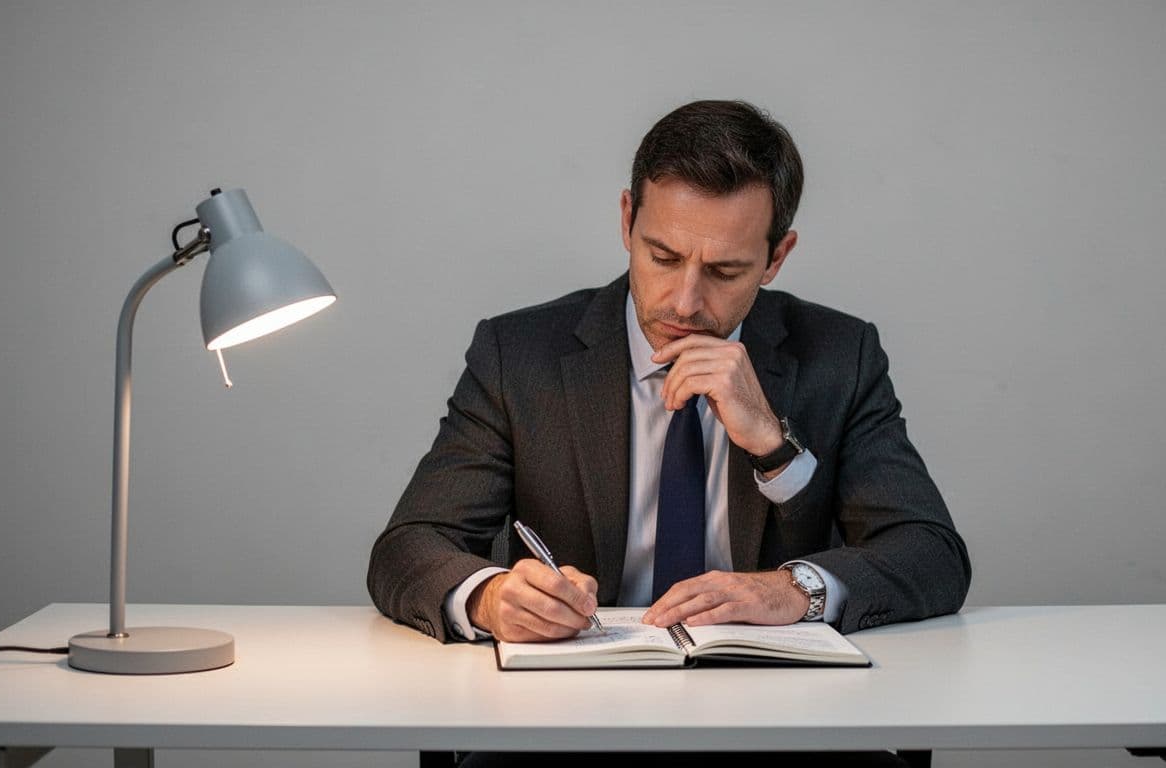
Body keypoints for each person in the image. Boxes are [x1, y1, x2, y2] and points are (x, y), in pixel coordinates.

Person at [369, 99, 971, 768]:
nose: (684, 303)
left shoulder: (840, 355)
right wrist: (490, 597)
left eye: (724, 272)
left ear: (776, 259)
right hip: (564, 725)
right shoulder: (521, 355)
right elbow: (408, 546)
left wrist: (791, 563)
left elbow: (932, 554)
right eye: (662, 255)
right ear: (628, 221)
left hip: (787, 722)